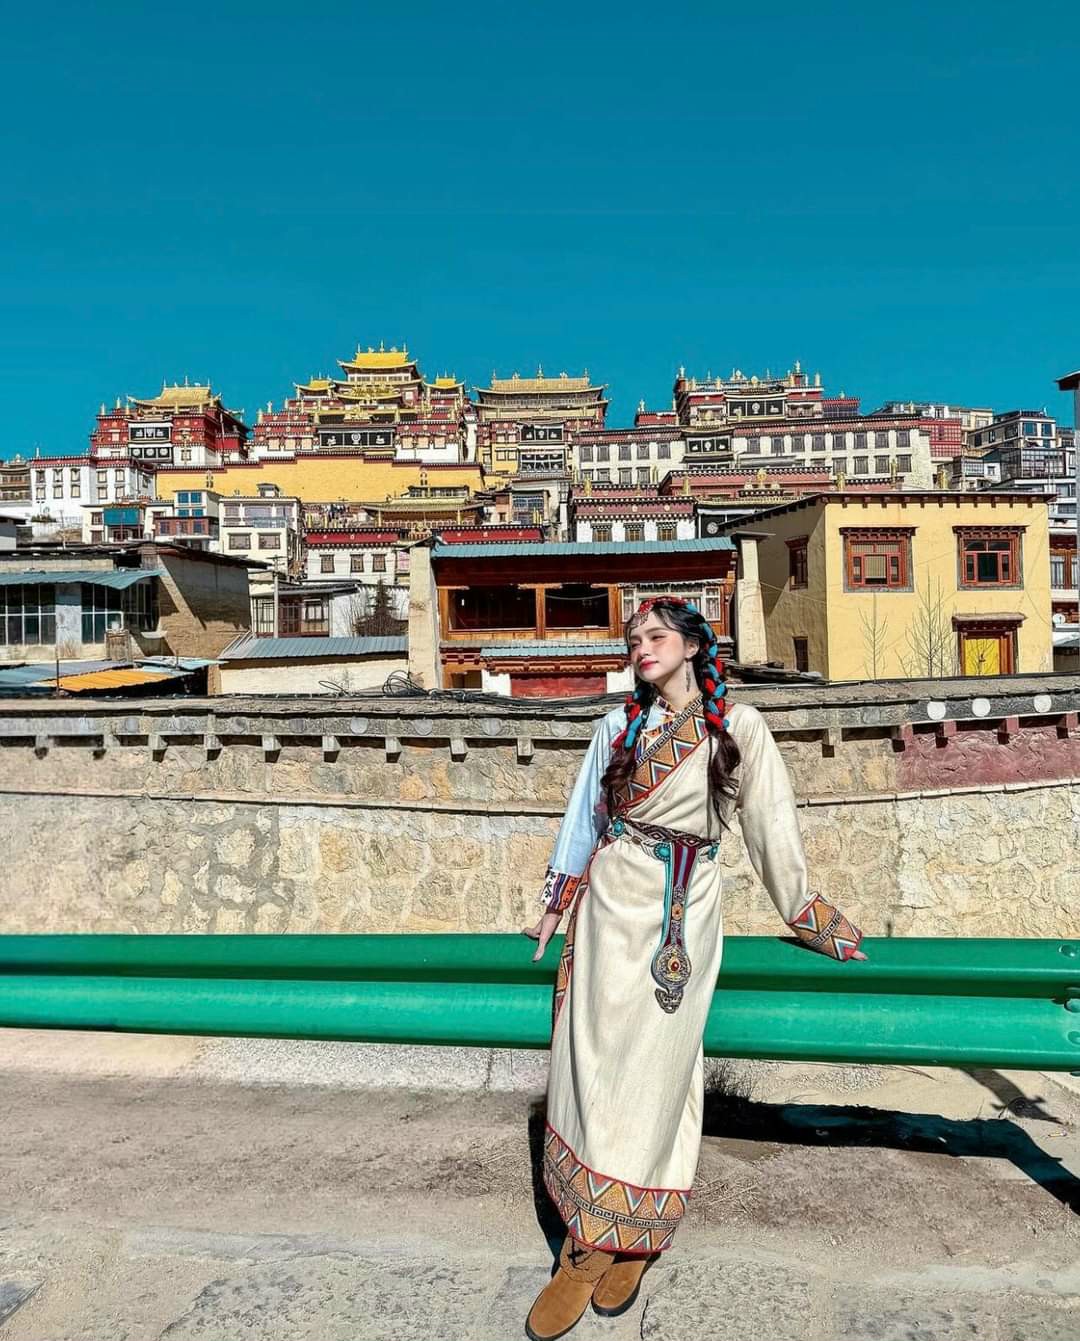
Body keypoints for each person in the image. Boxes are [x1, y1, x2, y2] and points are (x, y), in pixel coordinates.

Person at [521, 595, 867, 1341]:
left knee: (660, 1069)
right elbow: (584, 820)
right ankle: (586, 1244)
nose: (642, 647)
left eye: (656, 635)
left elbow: (771, 826)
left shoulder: (737, 726)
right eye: (633, 638)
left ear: (691, 644)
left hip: (684, 910)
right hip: (608, 907)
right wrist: (555, 903)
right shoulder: (617, 727)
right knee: (592, 1064)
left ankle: (636, 1233)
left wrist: (808, 915)